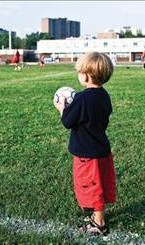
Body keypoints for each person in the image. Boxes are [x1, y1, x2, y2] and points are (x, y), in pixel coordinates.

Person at [53, 52, 116, 236]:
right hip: (101, 148)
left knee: (92, 185)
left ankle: (99, 223)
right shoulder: (104, 96)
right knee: (99, 184)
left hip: (87, 154)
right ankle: (98, 216)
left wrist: (62, 108)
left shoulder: (81, 99)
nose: (78, 75)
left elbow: (67, 122)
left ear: (87, 75)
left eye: (80, 72)